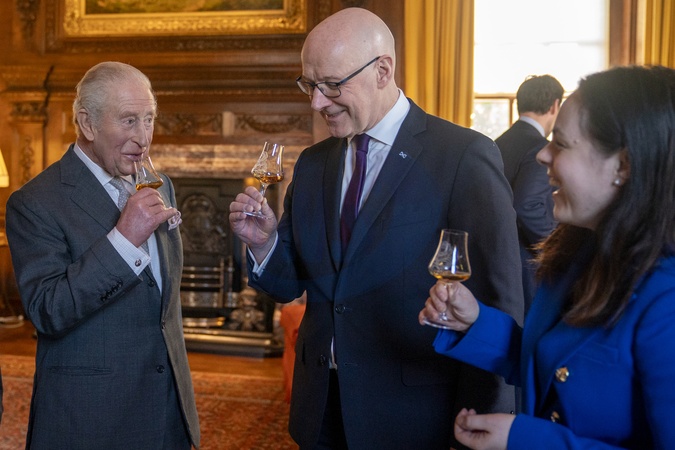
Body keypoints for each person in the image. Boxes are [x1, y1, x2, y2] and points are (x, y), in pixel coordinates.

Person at [229, 7, 524, 449]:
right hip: (320, 411)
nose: (316, 103)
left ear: (383, 70)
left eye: (332, 85)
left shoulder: (463, 156)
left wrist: (488, 420)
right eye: (309, 85)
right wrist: (265, 244)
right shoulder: (312, 164)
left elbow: (499, 299)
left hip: (413, 418)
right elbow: (290, 283)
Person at [419, 65, 675, 449]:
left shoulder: (666, 298)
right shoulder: (579, 253)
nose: (542, 154)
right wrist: (474, 324)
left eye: (562, 143)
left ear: (623, 166)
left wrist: (524, 439)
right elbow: (553, 365)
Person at [6, 61, 200, 449]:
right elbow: (48, 310)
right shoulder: (35, 202)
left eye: (149, 119)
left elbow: (160, 302)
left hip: (168, 413)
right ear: (87, 123)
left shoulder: (161, 185)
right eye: (129, 120)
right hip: (90, 419)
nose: (143, 137)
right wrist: (124, 240)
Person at [495, 75, 563, 313]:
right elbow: (528, 205)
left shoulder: (497, 143)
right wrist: (554, 249)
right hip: (527, 266)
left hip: (498, 260)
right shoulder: (539, 147)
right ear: (555, 105)